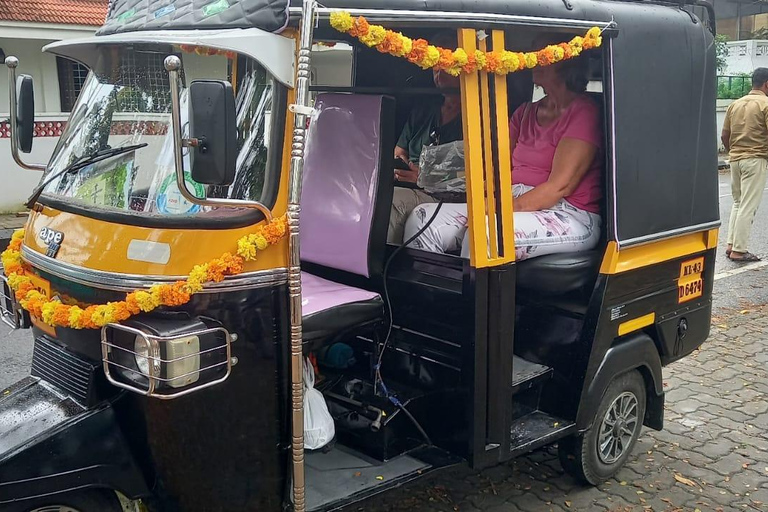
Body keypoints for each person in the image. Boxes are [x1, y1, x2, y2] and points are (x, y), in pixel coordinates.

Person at [403, 36, 603, 261]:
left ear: (567, 62)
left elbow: (559, 187)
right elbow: (495, 168)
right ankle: (433, 294)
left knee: (487, 232)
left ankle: (473, 296)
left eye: (542, 53)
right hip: (512, 200)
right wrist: (460, 186)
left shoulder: (584, 113)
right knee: (422, 218)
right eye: (533, 52)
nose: (533, 59)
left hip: (567, 214)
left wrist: (497, 210)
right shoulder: (525, 112)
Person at [388, 32, 463, 244]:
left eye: (444, 64)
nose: (438, 72)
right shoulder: (423, 110)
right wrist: (400, 168)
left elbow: (472, 176)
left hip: (443, 198)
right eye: (434, 66)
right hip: (405, 185)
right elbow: (399, 151)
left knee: (389, 202)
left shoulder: (478, 117)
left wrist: (426, 179)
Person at [721, 68, 768, 262]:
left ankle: (731, 244)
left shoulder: (735, 104)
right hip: (755, 159)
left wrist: (734, 150)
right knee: (749, 205)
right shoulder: (765, 104)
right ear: (767, 84)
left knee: (738, 203)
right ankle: (739, 250)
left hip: (735, 159)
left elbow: (725, 135)